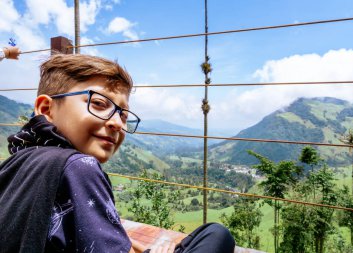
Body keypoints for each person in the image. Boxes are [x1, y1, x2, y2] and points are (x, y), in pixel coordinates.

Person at [0, 54, 235, 253]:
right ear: (46, 108)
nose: (117, 124)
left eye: (123, 115)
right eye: (99, 104)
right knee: (217, 234)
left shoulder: (19, 159)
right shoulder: (78, 166)